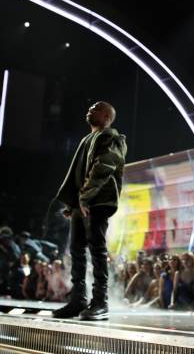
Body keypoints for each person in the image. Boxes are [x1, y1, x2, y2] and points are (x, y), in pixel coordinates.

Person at [52, 101, 127, 320]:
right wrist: (74, 203)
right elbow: (80, 172)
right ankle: (78, 299)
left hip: (98, 200)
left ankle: (100, 302)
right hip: (83, 202)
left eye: (96, 108)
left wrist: (84, 197)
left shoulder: (111, 137)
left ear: (107, 117)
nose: (90, 109)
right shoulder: (88, 139)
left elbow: (103, 167)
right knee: (76, 251)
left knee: (96, 249)